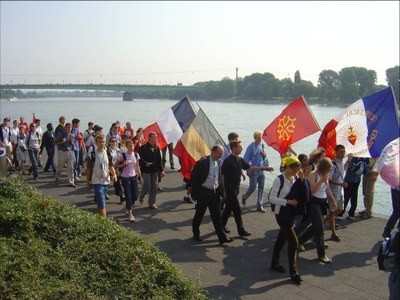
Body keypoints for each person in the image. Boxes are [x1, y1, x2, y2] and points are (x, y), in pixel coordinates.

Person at [270, 156, 308, 284]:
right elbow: (272, 198)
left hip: (291, 214)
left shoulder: (296, 178)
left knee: (281, 238)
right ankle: (293, 271)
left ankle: (274, 263)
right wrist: (288, 201)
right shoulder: (279, 179)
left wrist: (302, 179)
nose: (298, 170)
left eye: (299, 168)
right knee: (293, 242)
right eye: (296, 168)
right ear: (288, 168)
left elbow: (304, 193)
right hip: (281, 214)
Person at [221, 140, 273, 237]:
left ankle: (221, 226)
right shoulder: (228, 161)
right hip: (230, 188)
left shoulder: (239, 159)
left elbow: (250, 167)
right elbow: (222, 175)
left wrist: (264, 169)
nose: (242, 148)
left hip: (236, 188)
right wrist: (224, 191)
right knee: (237, 210)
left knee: (228, 209)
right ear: (234, 149)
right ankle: (241, 231)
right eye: (240, 147)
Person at [191, 144, 233, 245]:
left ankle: (222, 237)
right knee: (199, 214)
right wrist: (195, 193)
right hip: (203, 192)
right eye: (219, 154)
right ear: (213, 152)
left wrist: (222, 192)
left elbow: (218, 178)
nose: (220, 156)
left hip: (214, 193)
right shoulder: (202, 162)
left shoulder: (219, 163)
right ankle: (196, 234)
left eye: (222, 154)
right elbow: (194, 178)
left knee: (217, 216)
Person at [298, 157, 336, 264]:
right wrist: (321, 180)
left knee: (315, 226)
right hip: (314, 202)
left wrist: (332, 199)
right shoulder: (313, 174)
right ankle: (321, 254)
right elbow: (312, 191)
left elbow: (326, 188)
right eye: (329, 169)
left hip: (322, 201)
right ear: (324, 168)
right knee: (319, 227)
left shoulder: (326, 176)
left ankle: (299, 241)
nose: (329, 171)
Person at [241, 131, 273, 213]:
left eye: (260, 138)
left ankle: (260, 205)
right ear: (254, 138)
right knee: (252, 187)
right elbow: (245, 159)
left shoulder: (262, 146)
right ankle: (244, 197)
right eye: (258, 138)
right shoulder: (251, 147)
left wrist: (264, 155)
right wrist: (248, 170)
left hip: (262, 170)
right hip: (253, 170)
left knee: (261, 188)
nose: (260, 139)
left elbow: (264, 158)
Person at [85, 133, 116, 218]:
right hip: (96, 181)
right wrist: (88, 182)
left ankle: (97, 218)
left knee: (100, 203)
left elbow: (110, 166)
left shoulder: (108, 153)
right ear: (96, 143)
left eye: (103, 142)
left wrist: (114, 174)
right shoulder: (93, 154)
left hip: (106, 181)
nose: (102, 144)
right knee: (102, 204)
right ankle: (104, 222)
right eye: (100, 142)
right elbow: (89, 169)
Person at [115, 139, 143, 222]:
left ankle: (128, 206)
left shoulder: (136, 154)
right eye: (130, 146)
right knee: (128, 195)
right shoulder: (123, 155)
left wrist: (140, 177)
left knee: (135, 196)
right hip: (125, 177)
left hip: (133, 176)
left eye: (133, 145)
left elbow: (137, 167)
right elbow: (115, 165)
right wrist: (123, 164)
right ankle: (130, 214)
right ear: (126, 147)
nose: (132, 147)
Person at [326, 144, 348, 242]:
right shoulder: (333, 164)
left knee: (340, 209)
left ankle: (323, 222)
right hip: (333, 191)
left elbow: (342, 171)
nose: (343, 154)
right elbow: (329, 179)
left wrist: (349, 160)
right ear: (336, 152)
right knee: (331, 211)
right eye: (341, 152)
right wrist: (340, 184)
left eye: (344, 152)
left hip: (340, 191)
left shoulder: (341, 163)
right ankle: (333, 233)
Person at [138, 132, 165, 209]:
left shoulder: (157, 147)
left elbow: (159, 160)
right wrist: (145, 163)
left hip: (154, 170)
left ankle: (151, 203)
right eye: (154, 137)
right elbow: (139, 159)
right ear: (149, 138)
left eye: (156, 137)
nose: (156, 138)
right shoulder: (143, 148)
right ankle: (141, 195)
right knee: (147, 185)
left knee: (154, 187)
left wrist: (161, 170)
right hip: (146, 170)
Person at [342, 156, 368, 221]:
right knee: (354, 197)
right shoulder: (365, 158)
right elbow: (366, 170)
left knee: (346, 197)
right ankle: (351, 213)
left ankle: (341, 212)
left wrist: (349, 161)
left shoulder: (354, 157)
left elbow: (349, 168)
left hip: (349, 179)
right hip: (357, 180)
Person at [54, 122, 76, 187]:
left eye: (70, 127)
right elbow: (55, 143)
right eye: (68, 127)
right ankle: (57, 178)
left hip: (69, 152)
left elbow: (73, 144)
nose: (69, 128)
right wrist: (62, 142)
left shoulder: (72, 135)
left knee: (70, 167)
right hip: (62, 152)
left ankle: (71, 182)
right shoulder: (61, 134)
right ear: (65, 128)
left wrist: (72, 142)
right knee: (60, 166)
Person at [108, 136, 125, 203]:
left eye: (115, 141)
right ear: (109, 142)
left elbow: (120, 159)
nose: (114, 142)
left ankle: (121, 196)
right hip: (109, 168)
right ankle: (97, 196)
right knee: (106, 184)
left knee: (117, 182)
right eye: (112, 141)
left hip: (116, 168)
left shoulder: (118, 150)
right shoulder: (107, 150)